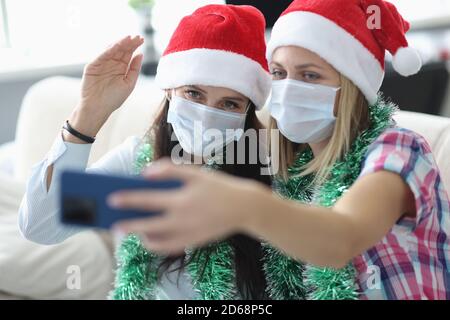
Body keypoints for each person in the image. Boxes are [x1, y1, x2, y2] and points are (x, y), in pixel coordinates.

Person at [110, 0, 450, 299]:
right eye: (279, 73)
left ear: (351, 85)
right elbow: (68, 208)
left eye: (310, 75)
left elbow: (341, 237)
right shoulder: (277, 161)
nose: (289, 88)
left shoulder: (399, 149)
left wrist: (242, 204)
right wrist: (87, 122)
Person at [18, 4, 272, 300]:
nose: (206, 116)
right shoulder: (138, 160)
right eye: (193, 94)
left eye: (229, 104)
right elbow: (42, 225)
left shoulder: (271, 165)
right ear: (169, 91)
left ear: (246, 112)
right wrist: (88, 114)